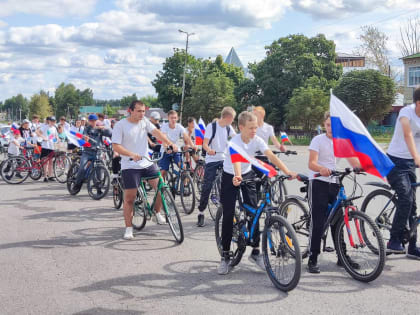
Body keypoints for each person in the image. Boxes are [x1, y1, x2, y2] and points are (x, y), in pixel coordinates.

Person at [218, 111, 297, 275]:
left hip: (247, 174)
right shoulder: (234, 142)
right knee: (228, 213)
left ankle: (255, 252)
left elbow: (271, 156)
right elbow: (236, 162)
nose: (255, 131)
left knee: (253, 212)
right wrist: (237, 176)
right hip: (230, 175)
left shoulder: (257, 139)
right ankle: (225, 256)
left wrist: (287, 171)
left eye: (256, 127)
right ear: (241, 127)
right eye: (251, 128)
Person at [112, 100, 177, 240]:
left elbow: (157, 132)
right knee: (130, 198)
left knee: (161, 186)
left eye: (143, 111)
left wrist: (169, 143)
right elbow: (116, 146)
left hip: (146, 162)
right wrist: (130, 154)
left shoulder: (144, 121)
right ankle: (129, 228)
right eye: (139, 111)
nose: (142, 114)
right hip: (129, 165)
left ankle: (157, 212)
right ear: (131, 111)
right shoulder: (120, 125)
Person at [307, 112, 361, 273]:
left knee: (338, 222)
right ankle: (313, 257)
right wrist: (321, 169)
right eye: (328, 125)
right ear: (324, 124)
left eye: (334, 125)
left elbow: (353, 160)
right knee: (318, 221)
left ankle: (342, 256)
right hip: (318, 182)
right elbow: (312, 163)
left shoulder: (342, 142)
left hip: (335, 182)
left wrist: (360, 167)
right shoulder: (318, 140)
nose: (331, 128)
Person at [386, 86, 420, 259]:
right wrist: (417, 157)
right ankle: (393, 240)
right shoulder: (406, 112)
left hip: (411, 164)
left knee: (413, 206)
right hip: (395, 162)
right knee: (406, 198)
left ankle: (412, 247)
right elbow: (407, 135)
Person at [197, 107, 236, 227]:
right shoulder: (212, 126)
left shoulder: (229, 128)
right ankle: (201, 212)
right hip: (212, 159)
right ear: (227, 118)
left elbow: (236, 139)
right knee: (208, 185)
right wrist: (209, 150)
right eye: (232, 119)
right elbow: (204, 144)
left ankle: (228, 211)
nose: (232, 121)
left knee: (231, 183)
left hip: (224, 159)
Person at [73, 114, 112, 191]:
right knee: (82, 168)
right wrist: (85, 138)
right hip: (87, 152)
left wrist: (105, 127)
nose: (93, 122)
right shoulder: (86, 129)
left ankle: (99, 189)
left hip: (97, 152)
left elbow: (110, 133)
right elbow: (84, 135)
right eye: (91, 121)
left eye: (95, 121)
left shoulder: (100, 129)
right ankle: (77, 184)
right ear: (89, 121)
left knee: (99, 170)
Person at [158, 110, 195, 180]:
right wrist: (167, 148)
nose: (173, 120)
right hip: (165, 151)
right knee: (163, 171)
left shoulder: (179, 126)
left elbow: (186, 137)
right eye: (171, 118)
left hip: (175, 150)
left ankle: (185, 187)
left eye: (175, 118)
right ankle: (162, 189)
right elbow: (164, 139)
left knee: (183, 167)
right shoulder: (164, 127)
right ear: (168, 118)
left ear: (177, 118)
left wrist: (192, 146)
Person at [36, 116, 58, 182]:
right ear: (49, 121)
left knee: (51, 162)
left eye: (54, 121)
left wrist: (58, 140)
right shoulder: (45, 127)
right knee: (46, 162)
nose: (52, 122)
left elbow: (56, 136)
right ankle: (45, 176)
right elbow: (37, 132)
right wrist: (43, 137)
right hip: (46, 146)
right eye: (51, 121)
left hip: (52, 146)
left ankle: (50, 175)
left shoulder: (54, 128)